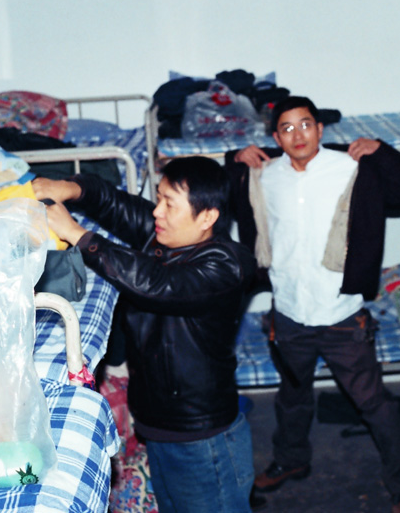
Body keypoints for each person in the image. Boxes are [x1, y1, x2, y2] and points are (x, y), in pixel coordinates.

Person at [225, 96, 400, 512]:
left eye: (306, 125)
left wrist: (384, 152)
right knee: (292, 398)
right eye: (287, 128)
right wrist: (234, 158)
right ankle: (292, 459)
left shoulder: (351, 167)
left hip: (341, 314)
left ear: (320, 129)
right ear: (276, 137)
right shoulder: (264, 175)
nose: (298, 135)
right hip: (289, 311)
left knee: (375, 405)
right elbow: (220, 197)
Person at [32, 156, 257, 513]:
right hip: (159, 425)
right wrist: (69, 188)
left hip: (201, 436)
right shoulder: (163, 236)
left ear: (207, 217)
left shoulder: (227, 266)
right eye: (159, 198)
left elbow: (157, 283)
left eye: (170, 203)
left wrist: (76, 234)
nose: (157, 212)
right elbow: (113, 202)